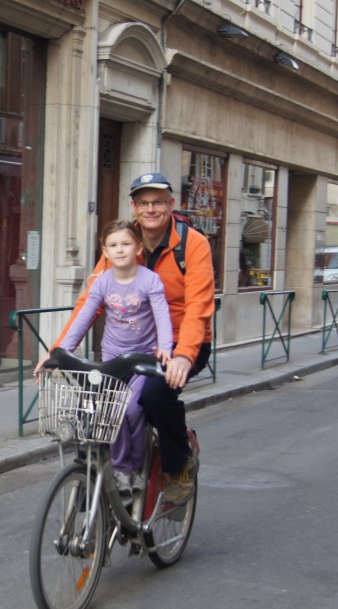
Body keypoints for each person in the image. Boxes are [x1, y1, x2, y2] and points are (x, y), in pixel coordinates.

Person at [36, 172, 215, 504]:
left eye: (158, 202)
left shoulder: (193, 244)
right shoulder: (123, 243)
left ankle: (180, 463)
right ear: (134, 207)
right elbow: (90, 302)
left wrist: (183, 355)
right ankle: (110, 479)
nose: (151, 209)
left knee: (156, 396)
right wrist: (58, 349)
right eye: (144, 203)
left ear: (170, 205)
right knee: (100, 405)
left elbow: (198, 307)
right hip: (128, 347)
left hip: (181, 340)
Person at [49, 219, 173, 494]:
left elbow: (162, 315)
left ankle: (138, 465)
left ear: (139, 248)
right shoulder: (102, 282)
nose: (120, 250)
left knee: (132, 410)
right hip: (112, 359)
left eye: (126, 244)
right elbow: (83, 318)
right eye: (113, 245)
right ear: (104, 252)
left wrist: (165, 346)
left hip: (141, 360)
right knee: (110, 413)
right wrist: (59, 352)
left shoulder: (149, 279)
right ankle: (121, 469)